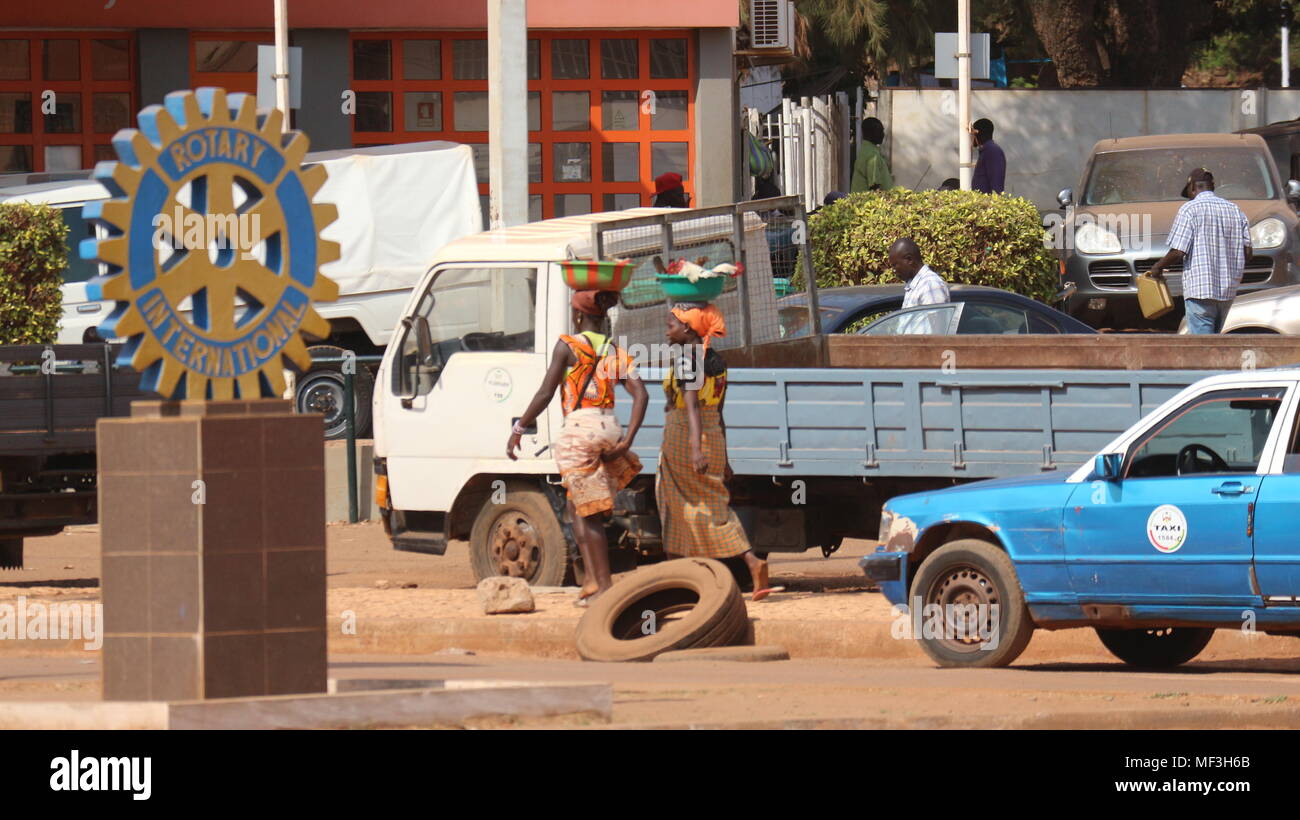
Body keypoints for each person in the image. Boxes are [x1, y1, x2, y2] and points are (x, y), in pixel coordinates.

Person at [507, 290, 649, 603]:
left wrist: (519, 427)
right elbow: (641, 394)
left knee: (588, 513)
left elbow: (545, 392)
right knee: (576, 507)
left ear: (578, 316)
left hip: (580, 431)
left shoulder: (568, 346)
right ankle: (590, 583)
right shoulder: (614, 350)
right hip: (609, 427)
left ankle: (605, 587)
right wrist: (627, 440)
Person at [659, 299, 773, 601]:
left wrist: (696, 448)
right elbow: (718, 412)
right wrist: (725, 458)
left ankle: (684, 579)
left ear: (687, 327)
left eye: (671, 325)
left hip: (685, 436)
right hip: (715, 437)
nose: (666, 331)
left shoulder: (686, 358)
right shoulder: (717, 362)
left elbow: (692, 406)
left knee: (679, 506)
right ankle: (748, 562)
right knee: (715, 505)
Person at [1147, 168, 1252, 334]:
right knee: (1214, 342)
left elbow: (1178, 251)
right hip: (1227, 292)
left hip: (1199, 292)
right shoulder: (1235, 210)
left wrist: (1157, 268)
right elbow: (1248, 253)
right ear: (1212, 186)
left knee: (1204, 349)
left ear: (1193, 188)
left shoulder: (1189, 209)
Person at [850, 117, 894, 193]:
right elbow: (874, 187)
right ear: (871, 133)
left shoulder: (866, 150)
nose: (883, 134)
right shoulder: (872, 155)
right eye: (880, 131)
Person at [970, 118, 1006, 194]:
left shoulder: (992, 151)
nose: (971, 137)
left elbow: (997, 184)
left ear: (977, 133)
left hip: (988, 204)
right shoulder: (986, 150)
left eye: (972, 134)